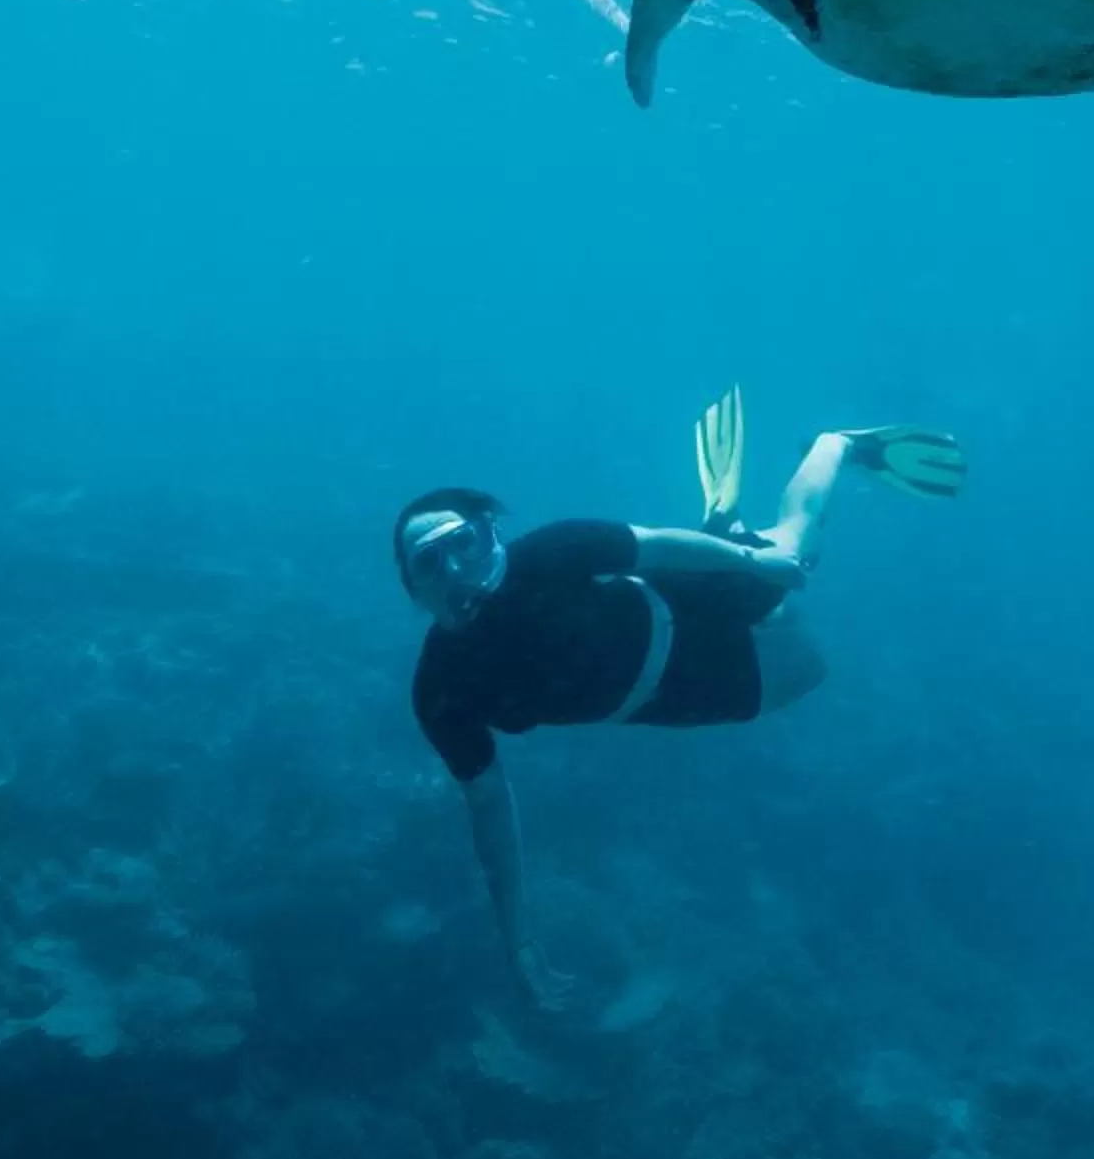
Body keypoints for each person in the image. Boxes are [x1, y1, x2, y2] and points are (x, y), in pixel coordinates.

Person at [394, 390, 965, 1012]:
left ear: (492, 535)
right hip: (661, 696)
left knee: (797, 549)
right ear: (414, 592)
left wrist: (755, 562)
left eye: (465, 543)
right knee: (807, 671)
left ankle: (839, 446)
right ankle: (723, 519)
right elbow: (489, 810)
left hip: (680, 601)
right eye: (430, 564)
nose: (456, 571)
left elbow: (658, 545)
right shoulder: (442, 688)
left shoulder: (553, 551)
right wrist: (518, 938)